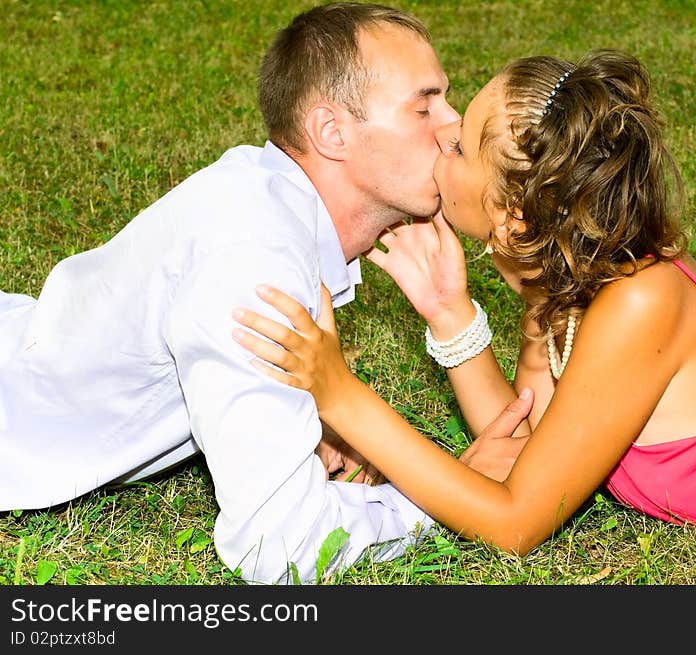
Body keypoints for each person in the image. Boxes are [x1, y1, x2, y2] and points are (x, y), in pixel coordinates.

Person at [232, 49, 696, 557]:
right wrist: (451, 314)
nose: (442, 134)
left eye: (459, 145)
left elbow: (515, 519)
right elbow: (532, 441)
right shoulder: (572, 274)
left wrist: (344, 398)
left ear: (514, 220)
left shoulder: (638, 303)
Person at [0, 2, 473, 585]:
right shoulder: (255, 262)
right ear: (331, 132)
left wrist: (321, 422)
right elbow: (282, 550)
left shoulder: (265, 195)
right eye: (424, 106)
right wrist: (447, 496)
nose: (454, 123)